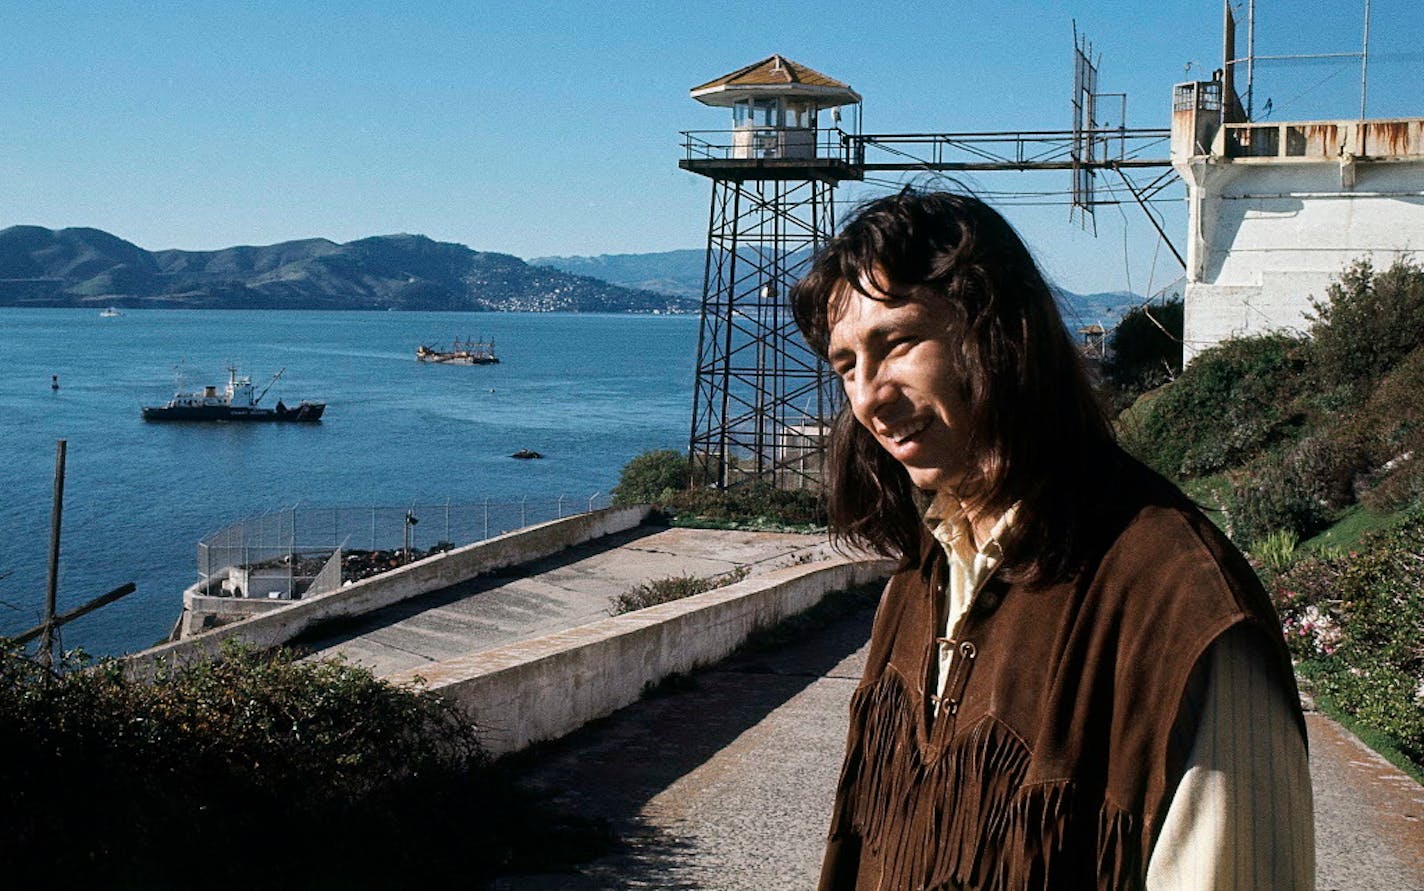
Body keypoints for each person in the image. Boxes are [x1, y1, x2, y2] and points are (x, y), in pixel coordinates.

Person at [790, 190, 1313, 890]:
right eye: (846, 365)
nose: (868, 398)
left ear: (997, 329)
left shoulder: (1178, 602)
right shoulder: (920, 577)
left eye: (898, 342)